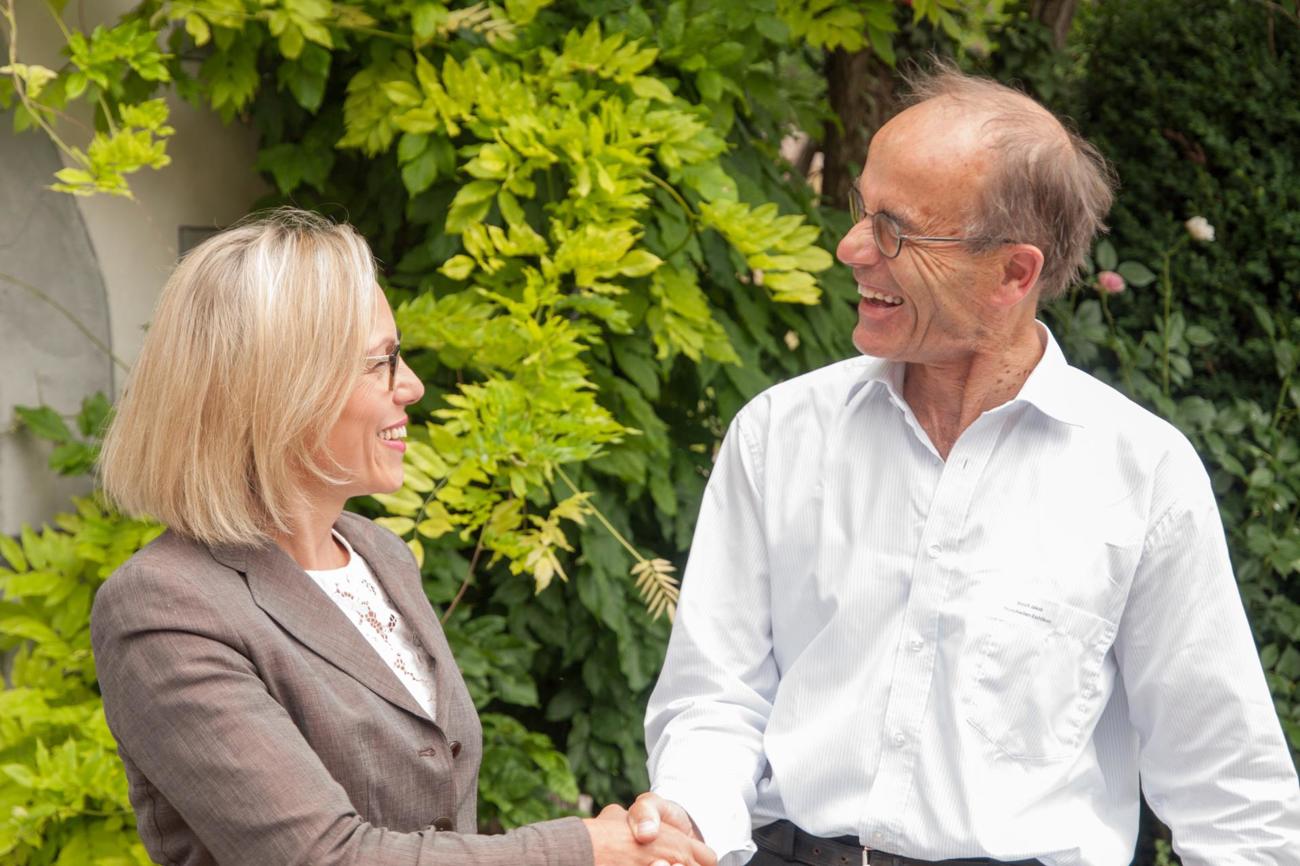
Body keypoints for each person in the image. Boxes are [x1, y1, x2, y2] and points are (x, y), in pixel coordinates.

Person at [625, 66, 1300, 866]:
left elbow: (1230, 796)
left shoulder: (1141, 475)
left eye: (895, 230)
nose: (850, 249)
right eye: (859, 211)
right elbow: (716, 697)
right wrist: (689, 824)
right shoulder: (780, 432)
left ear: (1014, 274)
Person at [91, 208, 716, 866]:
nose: (412, 386)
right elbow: (323, 857)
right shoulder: (165, 606)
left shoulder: (380, 555)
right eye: (382, 363)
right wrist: (580, 850)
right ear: (281, 389)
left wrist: (624, 845)